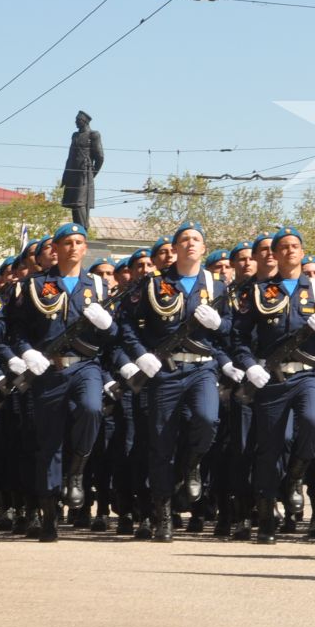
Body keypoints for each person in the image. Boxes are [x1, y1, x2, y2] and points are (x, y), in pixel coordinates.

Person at [0, 221, 117, 541]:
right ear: (56, 248)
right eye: (67, 242)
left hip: (86, 367)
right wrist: (26, 353)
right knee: (47, 443)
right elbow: (15, 330)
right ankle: (48, 511)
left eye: (80, 242)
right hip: (48, 371)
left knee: (91, 410)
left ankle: (77, 472)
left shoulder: (99, 286)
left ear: (85, 248)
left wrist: (108, 325)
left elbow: (113, 336)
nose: (74, 248)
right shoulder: (33, 286)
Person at [116, 221, 231, 542]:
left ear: (203, 248)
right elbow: (125, 323)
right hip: (164, 372)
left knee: (207, 421)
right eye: (185, 240)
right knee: (160, 443)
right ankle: (162, 513)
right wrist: (140, 354)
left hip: (202, 369)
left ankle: (192, 465)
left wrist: (220, 324)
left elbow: (231, 327)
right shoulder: (154, 284)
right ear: (175, 249)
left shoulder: (217, 285)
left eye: (196, 239)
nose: (191, 244)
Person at [229, 227, 315, 543]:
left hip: (306, 376)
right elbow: (239, 337)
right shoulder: (258, 292)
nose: (290, 251)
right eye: (283, 247)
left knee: (314, 423)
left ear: (302, 252)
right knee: (269, 448)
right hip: (272, 380)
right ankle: (265, 517)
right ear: (274, 254)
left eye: (295, 246)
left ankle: (295, 478)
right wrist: (249, 367)